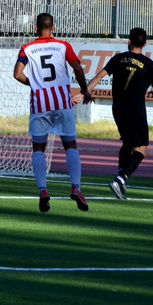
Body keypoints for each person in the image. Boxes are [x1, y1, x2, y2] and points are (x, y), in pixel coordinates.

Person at [13, 12, 91, 213]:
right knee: (70, 145)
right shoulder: (63, 46)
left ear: (36, 28)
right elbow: (77, 67)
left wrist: (35, 84)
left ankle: (43, 191)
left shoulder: (27, 48)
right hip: (61, 102)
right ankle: (75, 187)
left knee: (38, 148)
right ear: (53, 27)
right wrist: (84, 89)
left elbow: (17, 74)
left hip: (40, 104)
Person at [84, 28, 153, 200]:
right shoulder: (148, 64)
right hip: (135, 110)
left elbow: (98, 77)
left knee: (127, 143)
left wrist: (85, 92)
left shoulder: (118, 58)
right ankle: (120, 179)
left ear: (129, 41)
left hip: (118, 109)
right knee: (141, 149)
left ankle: (121, 179)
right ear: (145, 44)